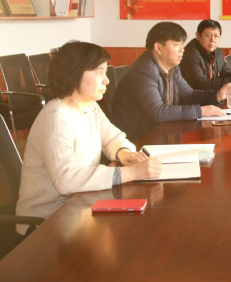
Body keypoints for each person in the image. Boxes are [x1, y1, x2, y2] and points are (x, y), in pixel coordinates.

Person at [16, 41, 163, 234]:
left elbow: (113, 137)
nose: (106, 80)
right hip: (46, 222)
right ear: (73, 75)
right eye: (99, 72)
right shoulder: (56, 117)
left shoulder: (90, 106)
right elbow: (66, 181)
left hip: (80, 205)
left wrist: (123, 153)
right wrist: (130, 173)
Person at [113, 21, 226, 140]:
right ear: (158, 47)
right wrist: (201, 111)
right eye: (176, 44)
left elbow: (188, 95)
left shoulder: (172, 67)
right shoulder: (143, 71)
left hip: (162, 132)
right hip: (138, 139)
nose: (182, 49)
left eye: (182, 44)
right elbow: (158, 112)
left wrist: (217, 95)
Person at [180, 19, 231, 90]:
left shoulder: (217, 51)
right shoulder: (189, 55)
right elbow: (200, 84)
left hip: (212, 94)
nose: (212, 40)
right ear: (198, 36)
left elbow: (224, 71)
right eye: (208, 35)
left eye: (216, 36)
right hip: (195, 96)